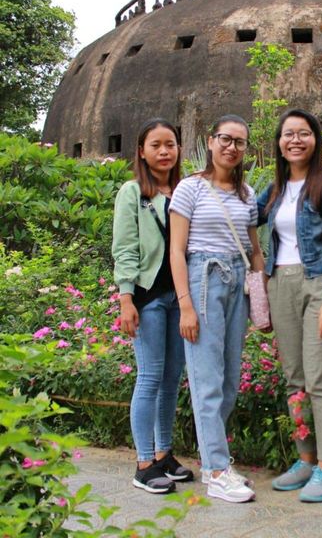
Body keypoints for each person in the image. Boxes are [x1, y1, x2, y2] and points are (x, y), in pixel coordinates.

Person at [257, 109, 322, 503]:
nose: (295, 140)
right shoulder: (275, 190)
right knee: (294, 379)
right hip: (281, 283)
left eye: (304, 133)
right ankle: (306, 459)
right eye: (288, 134)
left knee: (320, 380)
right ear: (278, 142)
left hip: (318, 284)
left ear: (316, 140)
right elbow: (247, 214)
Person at [169, 115, 265, 503]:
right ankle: (216, 469)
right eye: (226, 139)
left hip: (236, 284)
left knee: (228, 381)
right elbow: (177, 250)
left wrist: (262, 297)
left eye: (240, 142)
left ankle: (215, 459)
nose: (232, 147)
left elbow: (255, 249)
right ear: (211, 142)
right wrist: (186, 306)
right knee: (207, 380)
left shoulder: (246, 193)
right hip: (203, 280)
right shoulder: (190, 188)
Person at [112, 118, 194, 494]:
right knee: (149, 377)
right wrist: (126, 298)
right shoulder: (133, 192)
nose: (164, 151)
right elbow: (126, 247)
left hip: (180, 298)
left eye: (171, 144)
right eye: (156, 145)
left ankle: (163, 453)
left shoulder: (185, 191)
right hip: (147, 298)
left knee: (171, 379)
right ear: (142, 151)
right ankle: (144, 462)